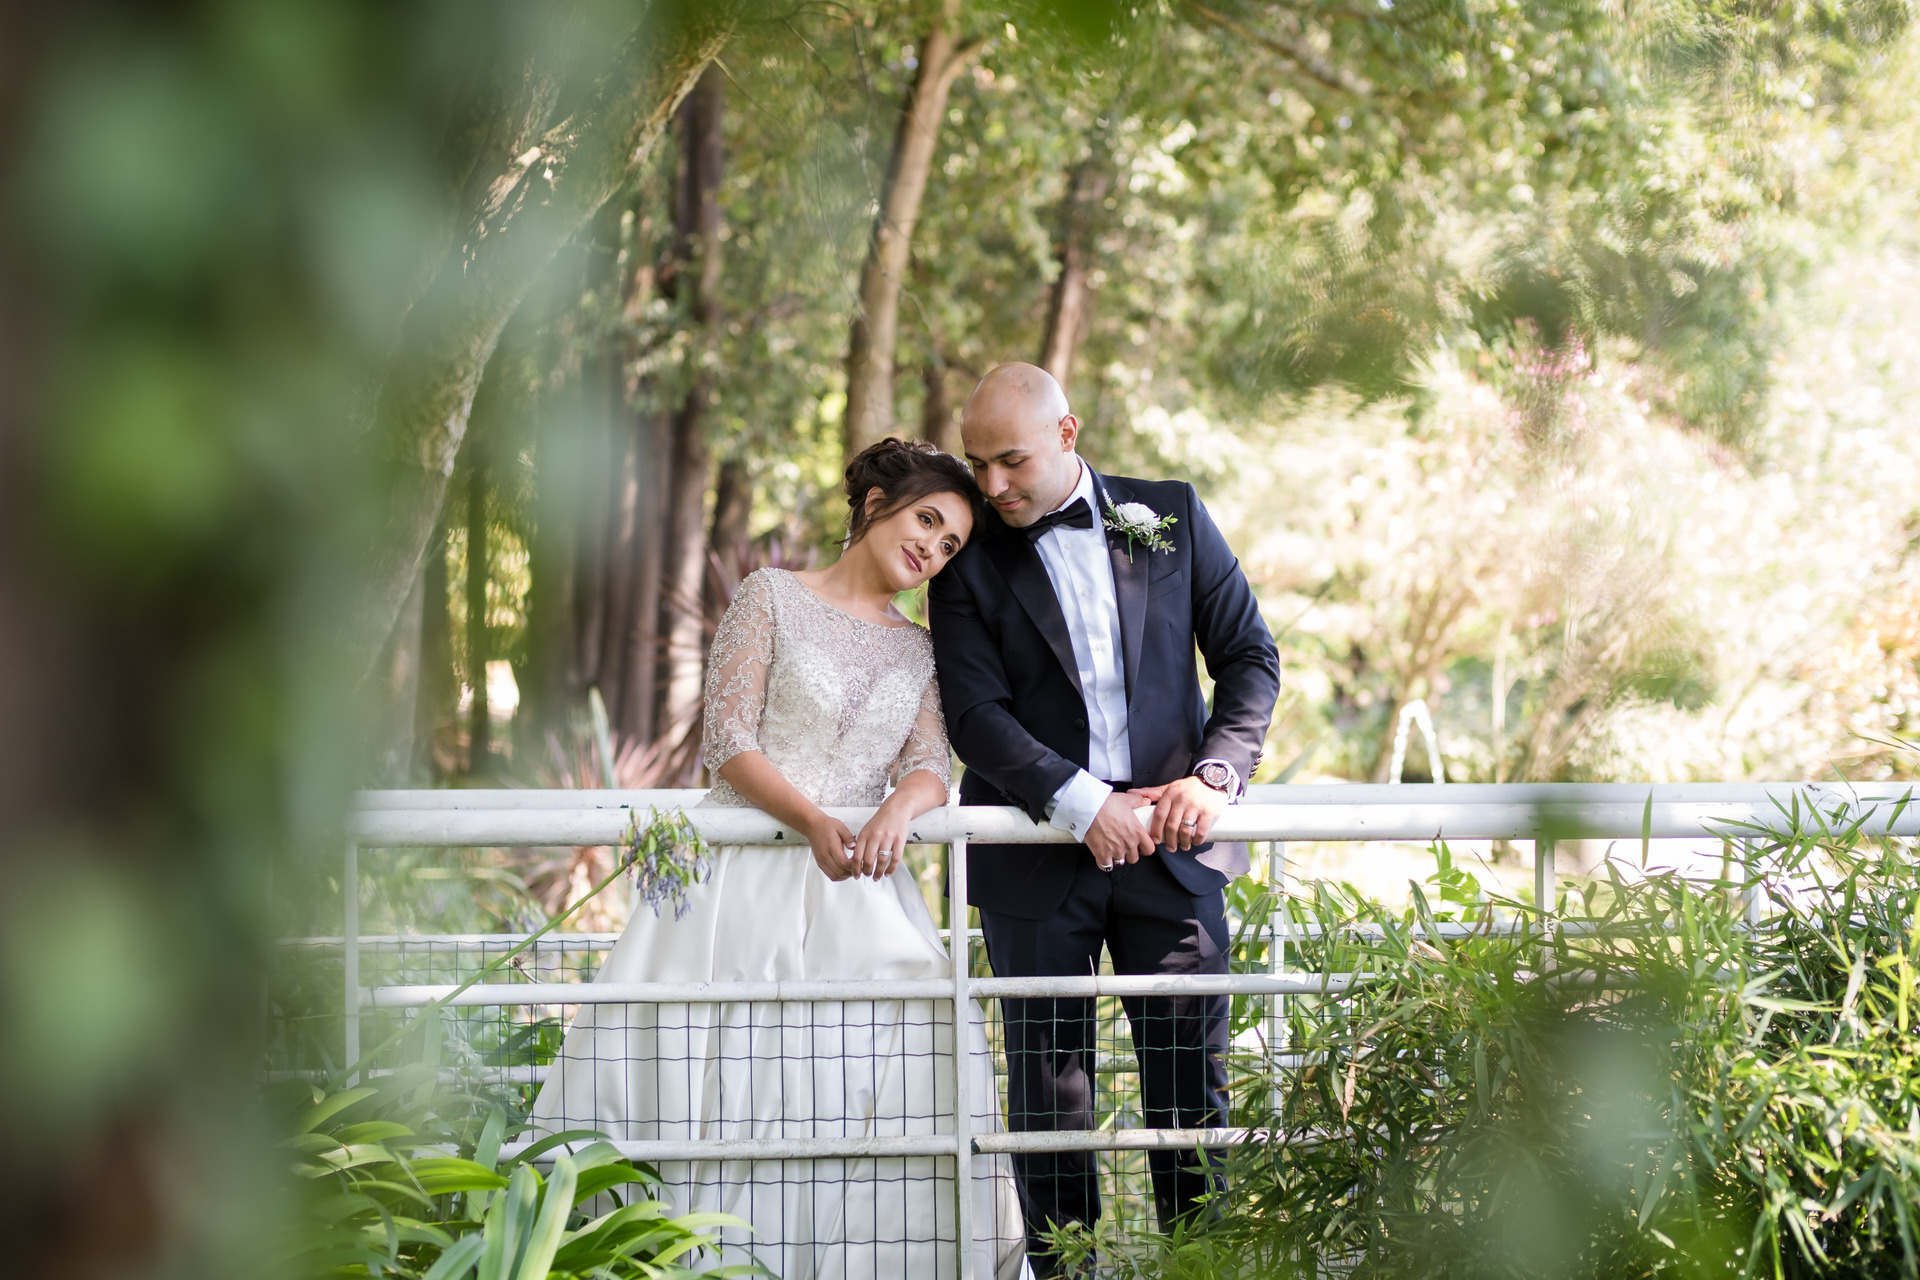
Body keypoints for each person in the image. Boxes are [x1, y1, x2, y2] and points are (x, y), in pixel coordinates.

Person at [532, 438, 1031, 1280]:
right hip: (742, 872)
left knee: (898, 1040)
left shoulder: (918, 648)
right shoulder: (770, 595)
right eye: (926, 521)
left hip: (861, 885)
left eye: (950, 544)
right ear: (875, 505)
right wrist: (811, 821)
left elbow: (928, 764)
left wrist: (897, 809)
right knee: (717, 1067)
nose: (933, 549)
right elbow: (728, 742)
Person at [928, 364, 1281, 1275]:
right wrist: (1084, 806)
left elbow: (1249, 657)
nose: (992, 485)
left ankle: (1202, 1269)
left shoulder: (1173, 513)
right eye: (977, 464)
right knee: (1050, 1101)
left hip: (1177, 850)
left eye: (1011, 461)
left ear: (1067, 433)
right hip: (1036, 856)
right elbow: (975, 716)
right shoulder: (965, 555)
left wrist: (1215, 777)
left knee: (1192, 1094)